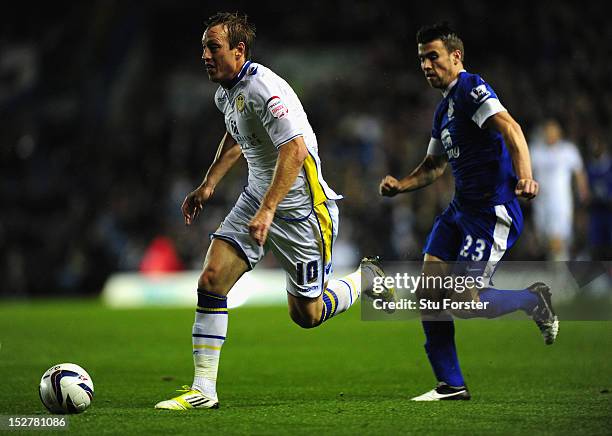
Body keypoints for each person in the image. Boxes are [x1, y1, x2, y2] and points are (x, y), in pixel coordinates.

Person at [155, 12, 391, 410]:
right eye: (203, 48)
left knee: (307, 315)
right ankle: (203, 390)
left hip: (302, 214)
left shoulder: (264, 87)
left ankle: (364, 280)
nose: (205, 56)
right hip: (256, 201)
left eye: (213, 47)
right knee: (211, 280)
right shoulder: (225, 92)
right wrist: (209, 183)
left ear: (238, 50)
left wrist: (269, 209)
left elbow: (294, 149)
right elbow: (237, 133)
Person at [379, 23, 559, 401]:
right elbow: (433, 167)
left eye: (433, 56)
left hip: (490, 213)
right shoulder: (444, 108)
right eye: (422, 59)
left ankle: (533, 300)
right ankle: (451, 384)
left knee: (464, 303)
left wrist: (526, 176)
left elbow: (511, 127)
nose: (426, 65)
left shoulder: (470, 89)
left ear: (455, 57)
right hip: (460, 210)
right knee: (429, 293)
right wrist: (401, 185)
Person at [531, 119, 590, 260]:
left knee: (557, 238)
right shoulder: (535, 150)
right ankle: (556, 268)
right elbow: (526, 172)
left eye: (553, 131)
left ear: (559, 133)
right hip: (540, 202)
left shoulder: (568, 150)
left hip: (560, 202)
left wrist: (583, 191)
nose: (550, 134)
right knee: (544, 240)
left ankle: (560, 273)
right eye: (547, 131)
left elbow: (579, 172)